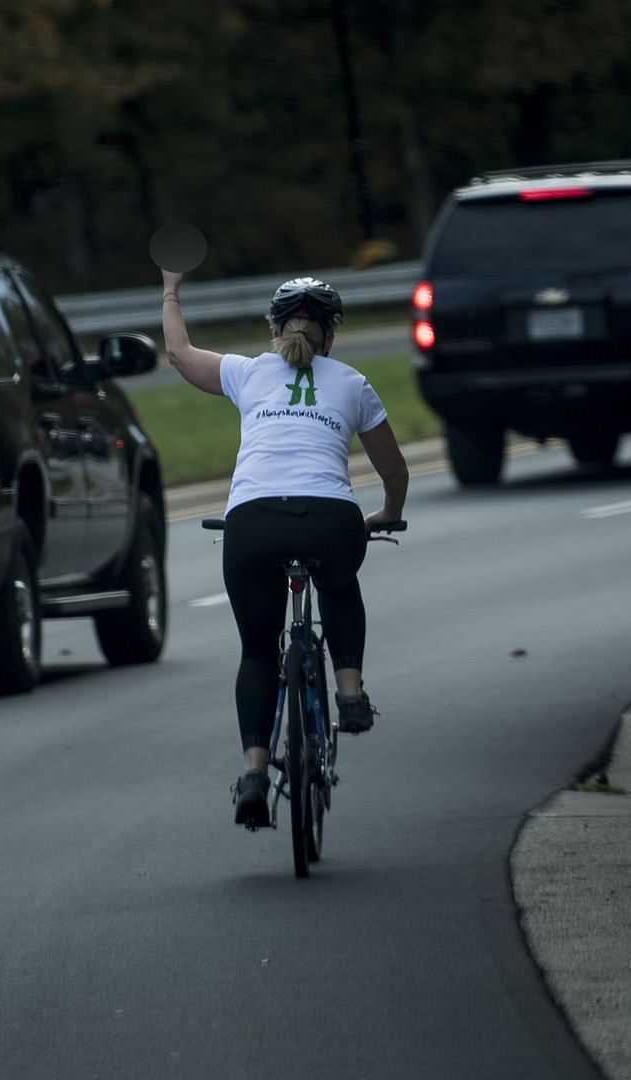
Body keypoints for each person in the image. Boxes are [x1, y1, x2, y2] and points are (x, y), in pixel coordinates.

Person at [160, 269, 410, 830]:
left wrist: (172, 286)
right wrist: (389, 511)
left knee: (257, 649)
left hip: (253, 521)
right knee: (340, 584)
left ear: (274, 330)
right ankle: (349, 694)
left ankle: (253, 774)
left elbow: (177, 353)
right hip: (331, 520)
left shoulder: (247, 373)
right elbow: (393, 469)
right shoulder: (352, 381)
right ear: (331, 338)